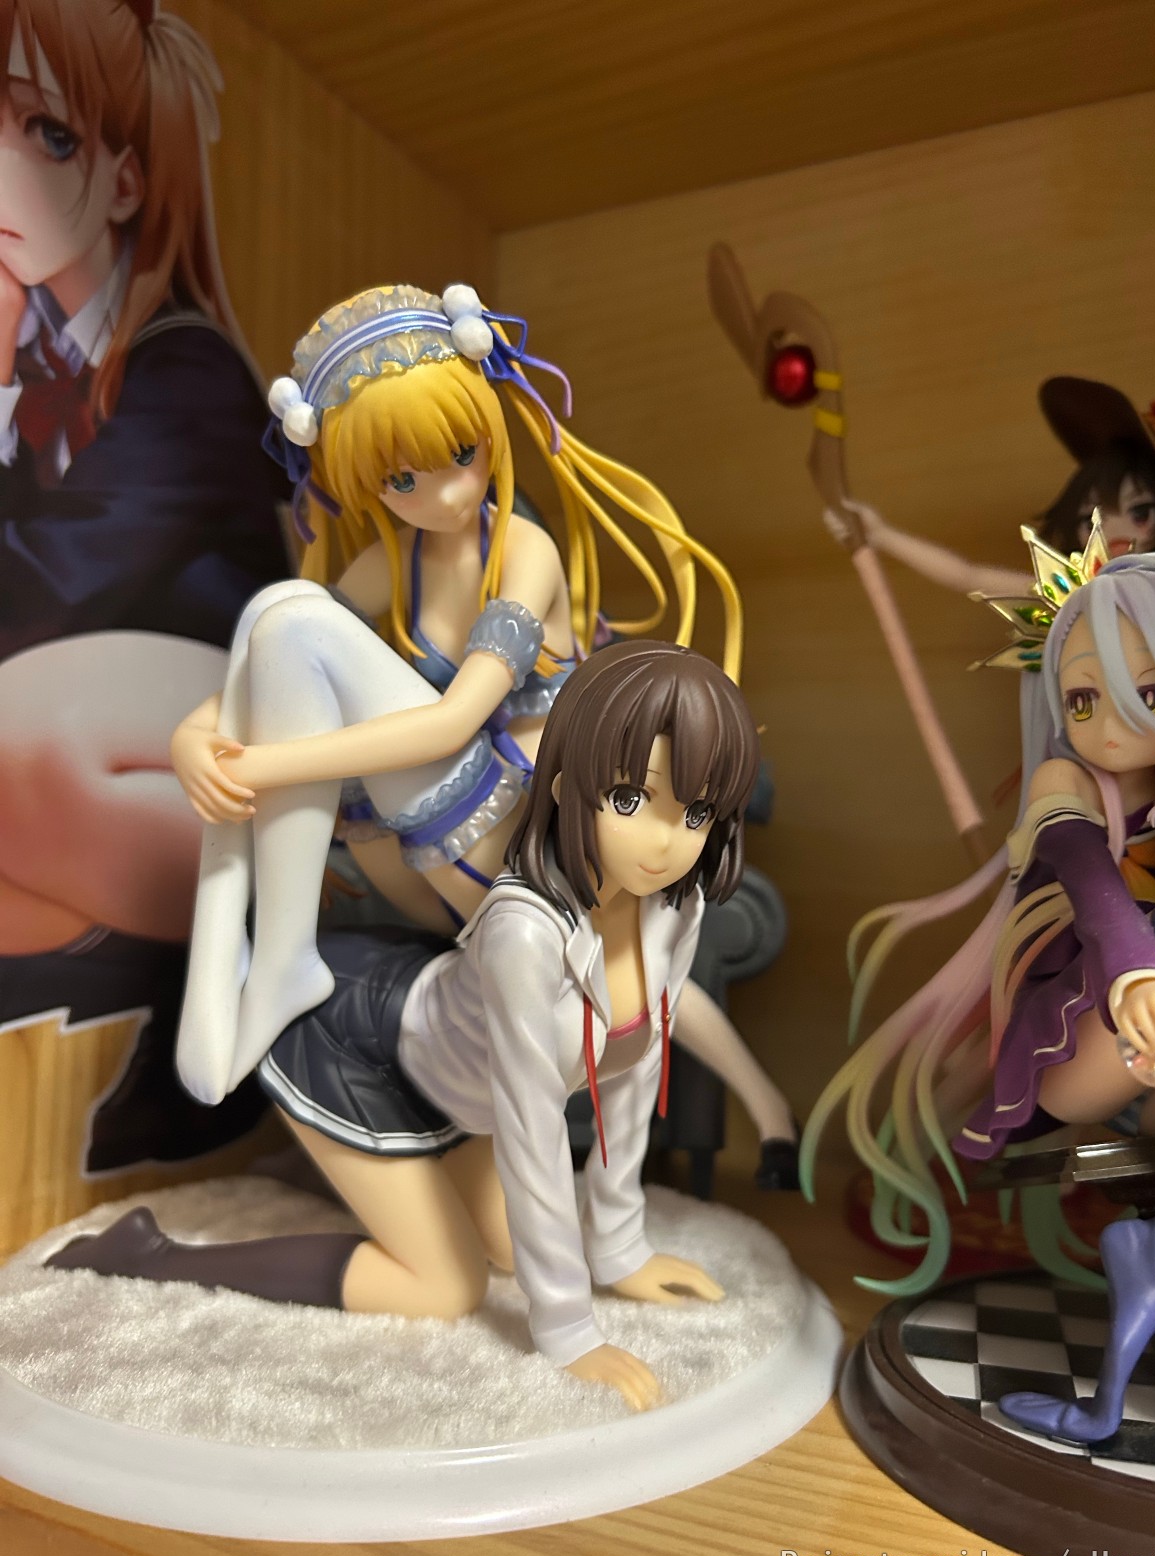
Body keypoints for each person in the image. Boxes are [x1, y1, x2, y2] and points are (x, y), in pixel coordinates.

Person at [170, 283, 798, 1171]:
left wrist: (267, 765)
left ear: (490, 431)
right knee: (285, 615)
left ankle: (767, 1105)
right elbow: (276, 656)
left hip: (538, 822)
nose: (440, 493)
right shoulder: (394, 565)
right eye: (401, 480)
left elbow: (455, 720)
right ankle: (276, 955)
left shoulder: (524, 553)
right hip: (442, 841)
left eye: (460, 455)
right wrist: (194, 739)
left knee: (637, 974)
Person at [50, 641, 760, 1411]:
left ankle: (368, 1177)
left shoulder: (674, 910)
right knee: (446, 1287)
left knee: (515, 1253)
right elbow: (531, 1129)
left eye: (695, 812)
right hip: (352, 1042)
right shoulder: (525, 932)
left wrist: (620, 1250)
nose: (665, 841)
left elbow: (638, 1067)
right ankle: (153, 1255)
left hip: (454, 1089)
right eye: (630, 799)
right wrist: (570, 1332)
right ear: (566, 785)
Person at [0, 0, 289, 1164]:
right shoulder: (33, 370)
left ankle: (282, 946)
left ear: (123, 179)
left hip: (222, 771)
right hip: (114, 792)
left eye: (47, 134)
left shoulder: (186, 371)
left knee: (27, 742)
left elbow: (52, 585)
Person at [801, 537, 1155, 1295]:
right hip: (1073, 955)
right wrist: (1133, 969)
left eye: (1149, 695)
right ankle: (915, 1178)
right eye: (1082, 701)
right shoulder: (1064, 779)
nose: (1110, 729)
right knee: (969, 1075)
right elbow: (1090, 879)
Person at [824, 379, 1155, 596]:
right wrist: (882, 534)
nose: (1111, 531)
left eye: (1140, 513)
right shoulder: (1073, 595)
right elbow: (970, 577)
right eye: (1090, 520)